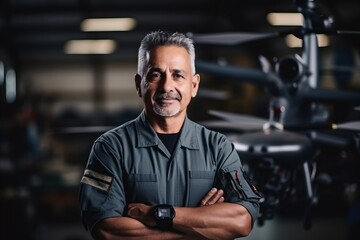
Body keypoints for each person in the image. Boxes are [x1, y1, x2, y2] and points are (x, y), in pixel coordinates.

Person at [79, 30, 261, 240]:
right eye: (155, 75)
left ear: (194, 85)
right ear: (139, 84)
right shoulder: (110, 148)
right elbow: (107, 230)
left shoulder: (218, 147)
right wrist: (199, 227)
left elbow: (242, 221)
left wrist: (157, 214)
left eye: (178, 75)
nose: (167, 86)